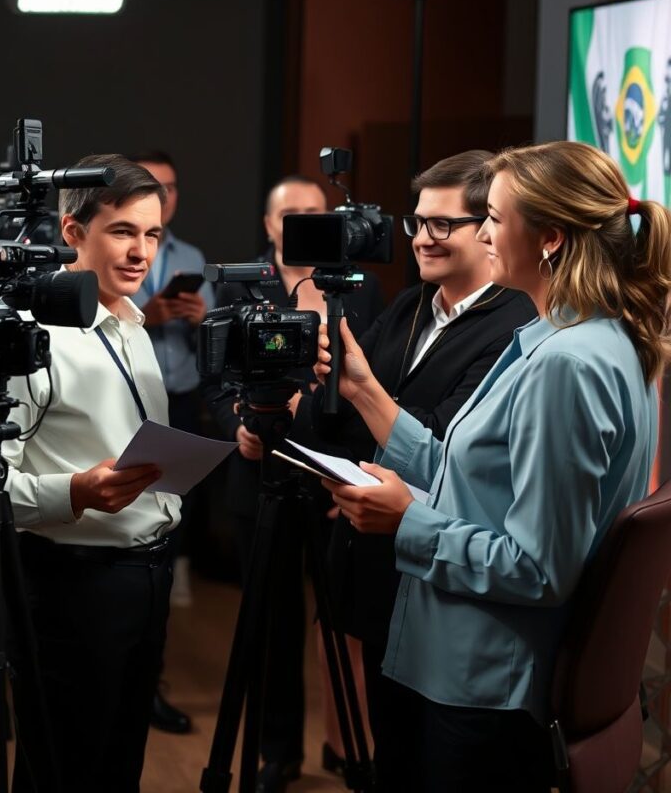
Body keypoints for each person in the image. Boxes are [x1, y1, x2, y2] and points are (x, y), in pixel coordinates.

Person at [318, 140, 671, 792]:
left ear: (551, 239)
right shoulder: (588, 337)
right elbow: (476, 475)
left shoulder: (565, 363)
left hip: (481, 686)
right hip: (471, 671)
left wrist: (406, 521)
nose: (481, 232)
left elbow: (539, 568)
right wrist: (367, 392)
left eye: (495, 219)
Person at [301, 150, 535, 788]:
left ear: (488, 227)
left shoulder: (520, 325)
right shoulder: (409, 306)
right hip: (377, 560)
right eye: (417, 222)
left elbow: (444, 450)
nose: (424, 238)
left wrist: (367, 399)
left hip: (446, 582)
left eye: (443, 224)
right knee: (392, 751)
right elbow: (354, 421)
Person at [3, 154, 179, 793]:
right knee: (62, 770)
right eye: (123, 232)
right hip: (72, 585)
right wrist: (74, 492)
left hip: (149, 575)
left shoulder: (133, 323)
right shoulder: (30, 334)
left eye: (152, 234)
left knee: (118, 767)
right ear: (73, 233)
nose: (141, 252)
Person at [204, 174, 382, 792]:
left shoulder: (358, 289)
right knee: (272, 625)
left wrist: (355, 475)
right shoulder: (239, 280)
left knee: (346, 621)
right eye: (294, 213)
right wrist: (237, 426)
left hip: (339, 483)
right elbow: (216, 377)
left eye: (317, 212)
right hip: (260, 479)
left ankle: (354, 749)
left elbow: (374, 391)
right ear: (269, 222)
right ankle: (276, 752)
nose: (306, 222)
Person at [129, 149, 212, 733]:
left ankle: (148, 683)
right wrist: (147, 314)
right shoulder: (115, 253)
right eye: (152, 184)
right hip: (122, 405)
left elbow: (214, 340)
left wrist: (199, 317)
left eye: (172, 186)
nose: (165, 193)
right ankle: (123, 681)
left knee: (166, 540)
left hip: (181, 406)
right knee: (122, 539)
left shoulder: (193, 257)